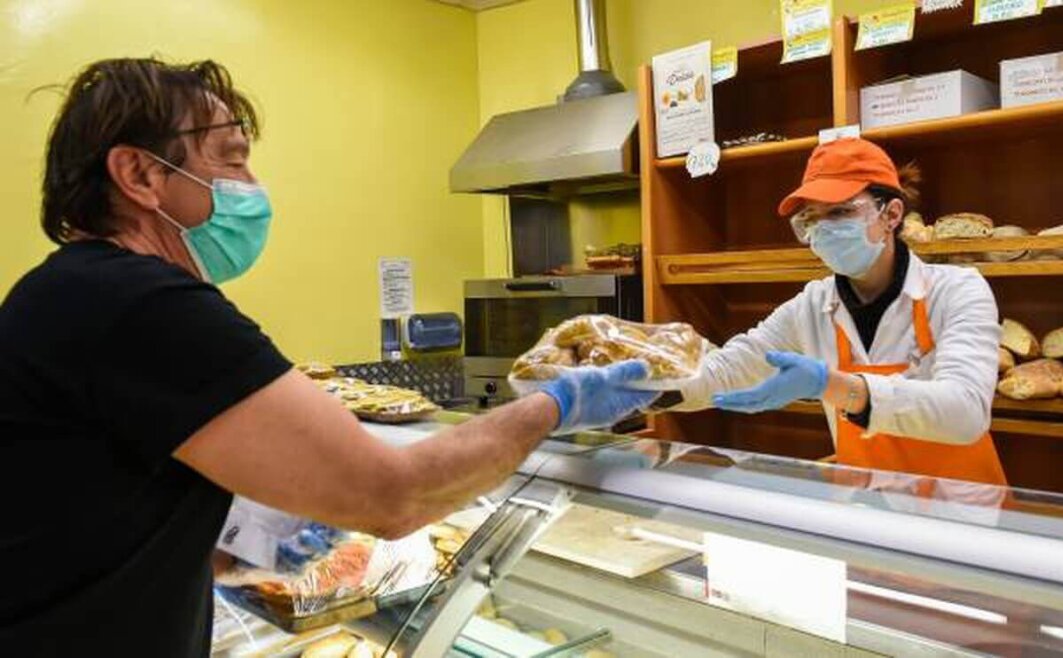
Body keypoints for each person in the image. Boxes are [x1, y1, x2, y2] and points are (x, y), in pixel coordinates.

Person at [0, 58, 656, 657]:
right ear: (141, 175)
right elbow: (395, 496)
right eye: (231, 160)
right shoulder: (137, 303)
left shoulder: (74, 292)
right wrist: (556, 404)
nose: (253, 188)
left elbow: (110, 524)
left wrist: (245, 548)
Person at [677, 137, 1007, 486]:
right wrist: (646, 388)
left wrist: (835, 386)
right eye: (812, 219)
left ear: (891, 214)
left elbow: (966, 412)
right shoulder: (812, 306)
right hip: (870, 514)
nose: (824, 230)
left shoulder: (957, 291)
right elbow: (728, 368)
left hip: (962, 517)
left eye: (839, 212)